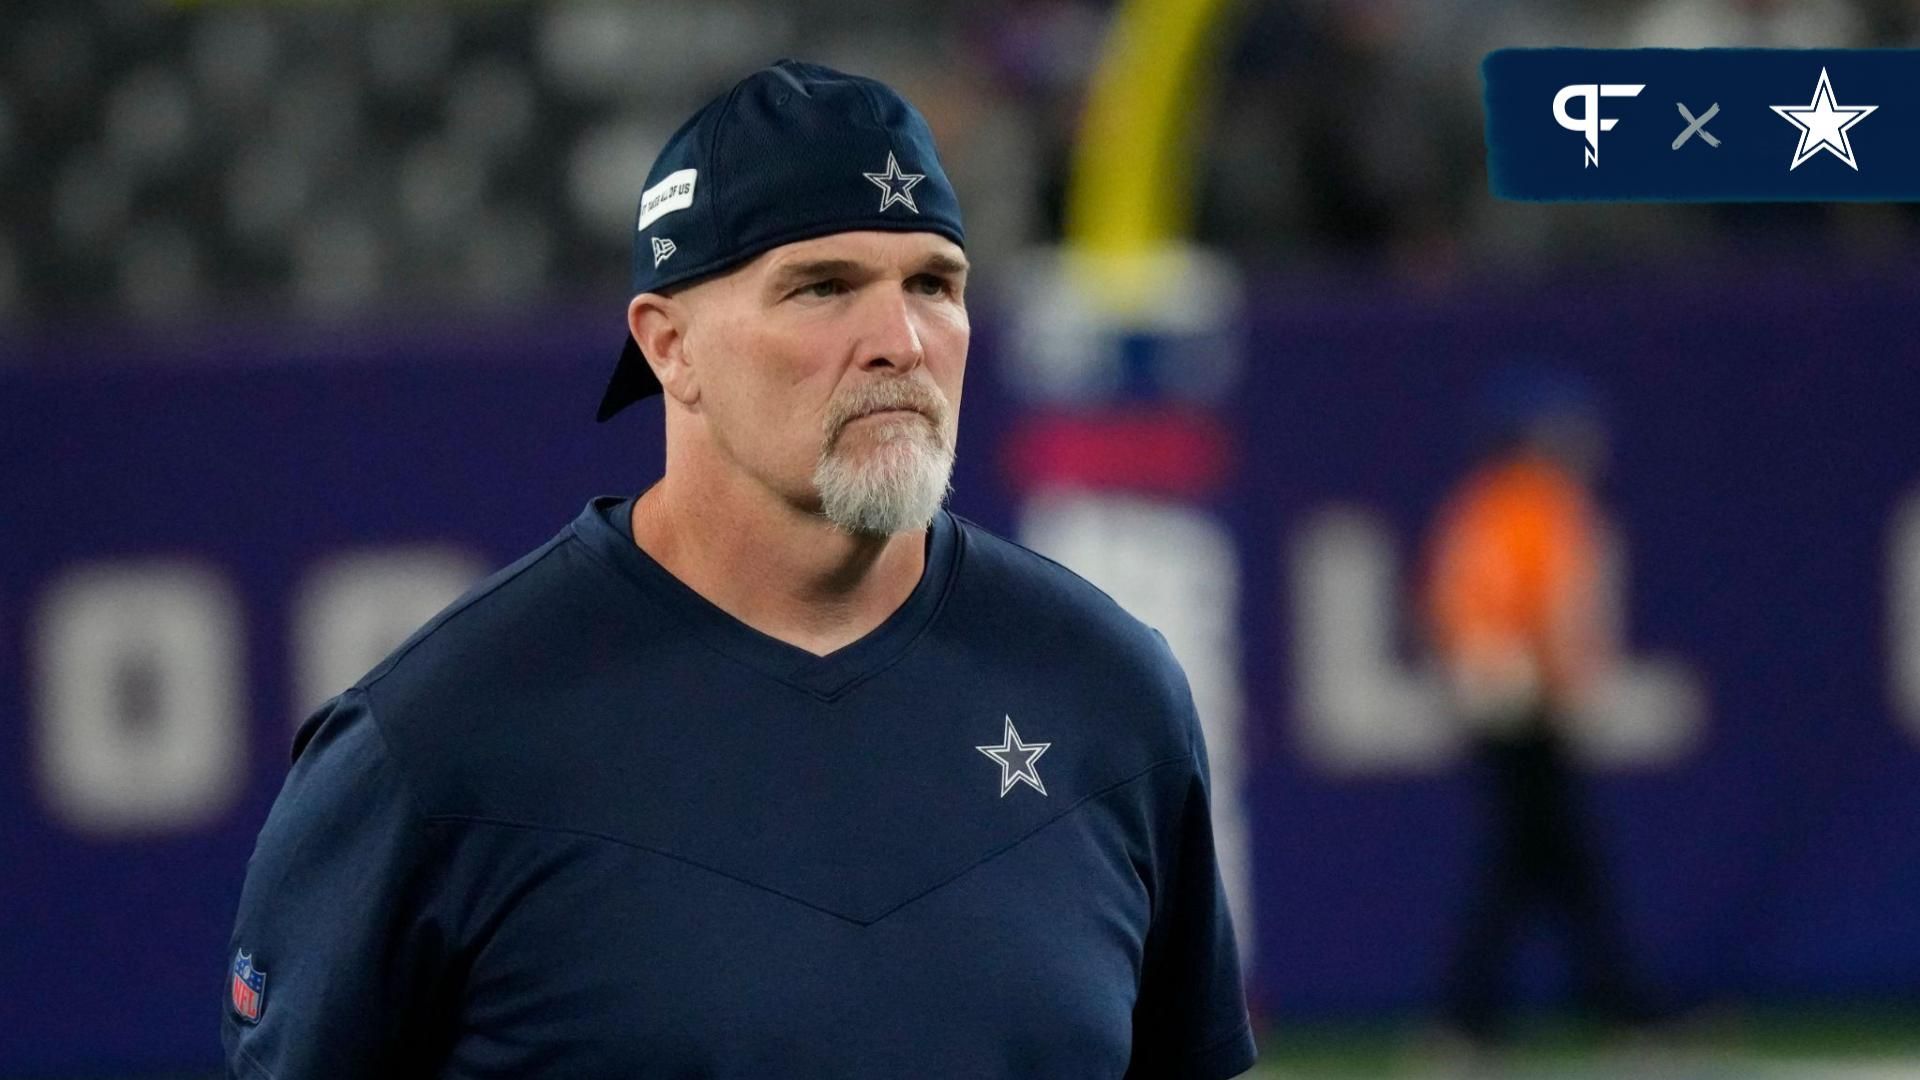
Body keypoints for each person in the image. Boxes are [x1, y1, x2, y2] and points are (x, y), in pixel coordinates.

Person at [221, 60, 1254, 1079]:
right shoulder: (435, 743)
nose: (899, 340)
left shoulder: (1112, 697)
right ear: (669, 347)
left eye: (934, 283)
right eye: (822, 287)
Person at [1421, 371, 1649, 1044]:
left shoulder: (1483, 504)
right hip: (1528, 704)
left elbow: (1449, 605)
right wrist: (1569, 686)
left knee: (1543, 859)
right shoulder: (1539, 504)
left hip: (1494, 700)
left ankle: (1603, 1005)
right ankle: (1612, 1008)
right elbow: (1553, 608)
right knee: (1542, 858)